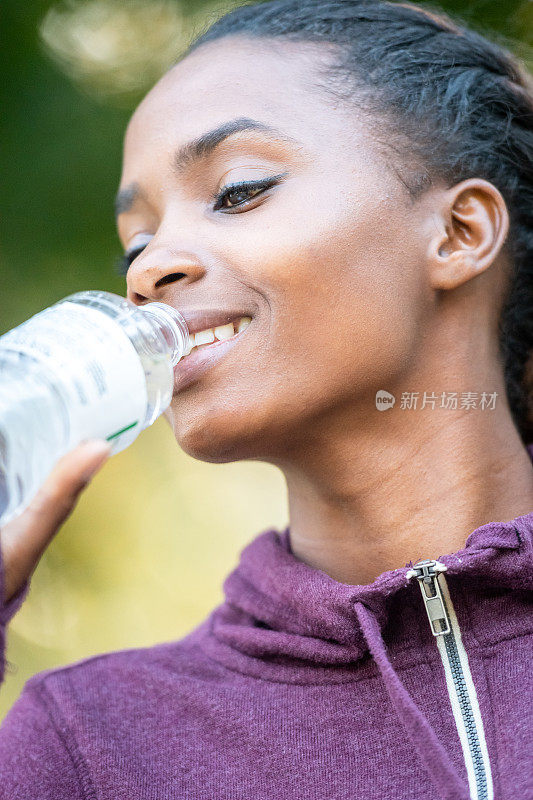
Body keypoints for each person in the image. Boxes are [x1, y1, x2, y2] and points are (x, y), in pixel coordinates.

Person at [1, 0, 532, 797]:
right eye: (135, 246)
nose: (147, 273)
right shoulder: (91, 740)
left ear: (458, 233)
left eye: (238, 190)